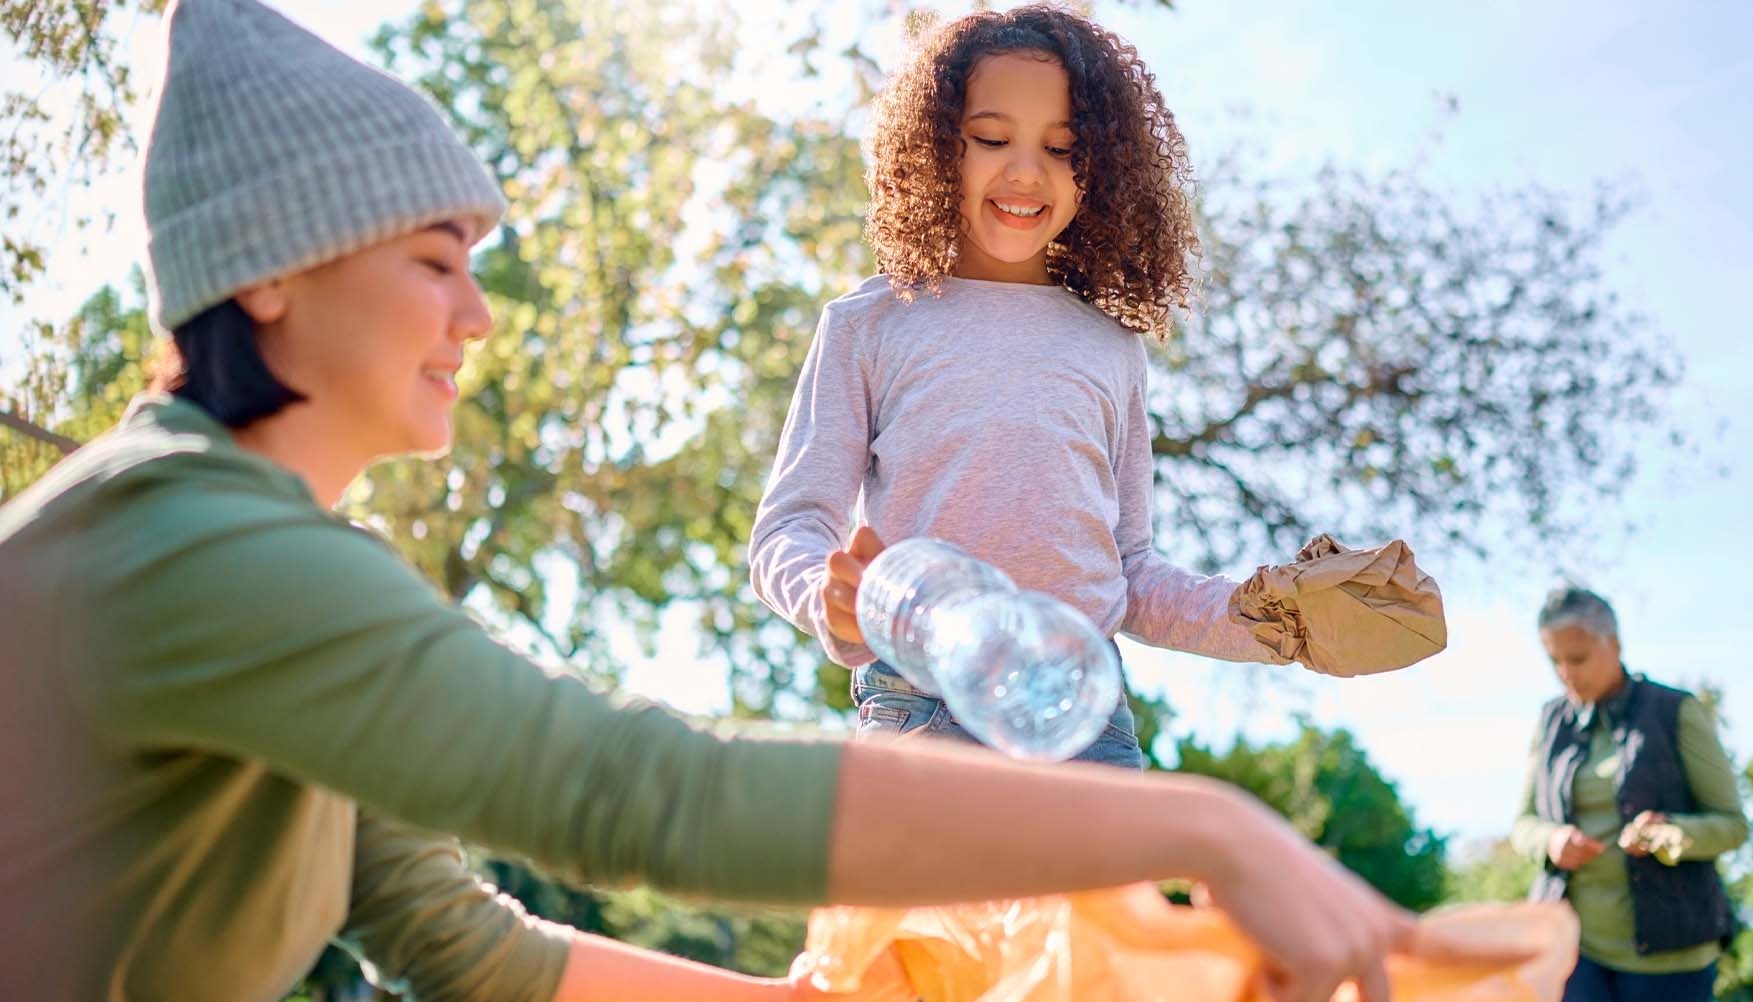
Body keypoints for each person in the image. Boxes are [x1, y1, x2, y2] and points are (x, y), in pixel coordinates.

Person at [0, 2, 1416, 1000]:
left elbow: (460, 945)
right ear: (271, 272)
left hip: (1073, 714)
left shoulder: (267, 571)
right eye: (440, 261)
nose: (482, 317)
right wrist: (1209, 826)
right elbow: (633, 789)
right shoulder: (197, 548)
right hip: (928, 710)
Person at [750, 4, 1300, 771]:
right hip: (920, 706)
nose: (1024, 171)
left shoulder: (1113, 349)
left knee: (1103, 898)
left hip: (1084, 715)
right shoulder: (866, 325)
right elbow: (788, 529)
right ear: (938, 147)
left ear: (1099, 170)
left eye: (1062, 147)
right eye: (990, 138)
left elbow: (1130, 571)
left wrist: (1276, 620)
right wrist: (828, 597)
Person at [1511, 586, 1747, 1002]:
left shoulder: (1675, 711)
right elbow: (1523, 824)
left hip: (1672, 956)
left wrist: (1672, 833)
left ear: (1614, 643)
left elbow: (1732, 826)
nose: (1566, 672)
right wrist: (1550, 840)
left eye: (1577, 658)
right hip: (1572, 948)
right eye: (1555, 661)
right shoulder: (1550, 720)